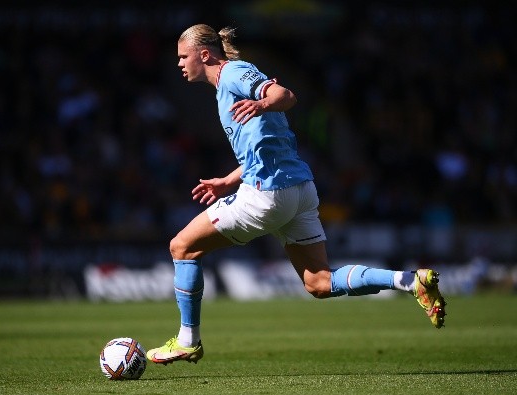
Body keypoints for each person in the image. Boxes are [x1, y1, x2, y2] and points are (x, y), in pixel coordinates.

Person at [146, 24, 446, 365]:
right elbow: (264, 145)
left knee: (181, 247)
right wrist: (229, 180)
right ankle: (409, 280)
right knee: (319, 282)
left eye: (183, 57)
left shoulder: (233, 74)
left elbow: (285, 96)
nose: (180, 64)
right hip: (299, 190)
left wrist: (262, 104)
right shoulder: (228, 85)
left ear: (204, 54)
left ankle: (188, 341)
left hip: (266, 195)